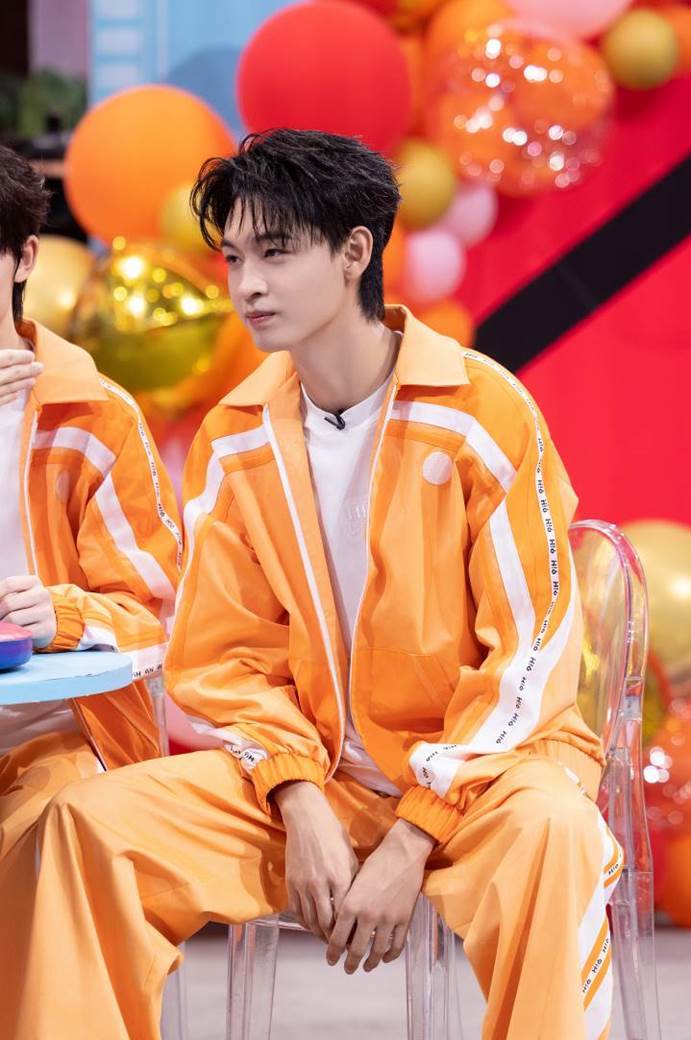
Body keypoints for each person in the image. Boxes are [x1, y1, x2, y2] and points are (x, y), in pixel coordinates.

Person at [1, 130, 620, 1040]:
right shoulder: (236, 433)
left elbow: (530, 652)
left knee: (556, 834)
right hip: (312, 778)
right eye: (234, 258)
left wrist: (414, 832)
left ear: (354, 251)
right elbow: (222, 659)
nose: (247, 284)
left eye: (275, 253)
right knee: (86, 828)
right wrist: (296, 794)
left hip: (486, 781)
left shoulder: (482, 409)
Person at [0, 144, 182, 862]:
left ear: (24, 257)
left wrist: (63, 616)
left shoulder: (94, 415)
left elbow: (158, 611)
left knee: (61, 828)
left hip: (61, 735)